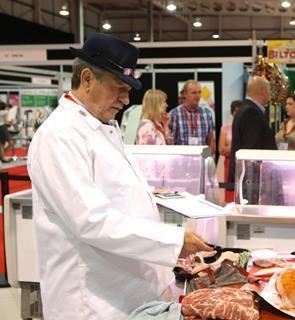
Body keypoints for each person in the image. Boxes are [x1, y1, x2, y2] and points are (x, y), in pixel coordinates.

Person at [27, 32, 211, 320]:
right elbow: (92, 221)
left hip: (131, 294)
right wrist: (173, 241)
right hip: (94, 302)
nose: (126, 100)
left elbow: (117, 195)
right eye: (118, 89)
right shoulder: (59, 135)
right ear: (87, 78)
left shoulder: (102, 126)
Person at [227, 76, 277, 188]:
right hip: (252, 181)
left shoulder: (245, 109)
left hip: (248, 179)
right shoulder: (251, 112)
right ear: (264, 91)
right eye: (269, 91)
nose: (269, 95)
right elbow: (251, 151)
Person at [168, 80, 215, 152]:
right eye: (194, 93)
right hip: (182, 160)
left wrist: (206, 159)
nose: (197, 96)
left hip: (201, 159)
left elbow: (210, 140)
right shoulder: (174, 114)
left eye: (199, 92)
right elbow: (170, 142)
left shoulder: (207, 114)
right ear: (185, 94)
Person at [217, 100, 242, 202]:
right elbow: (222, 150)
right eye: (236, 110)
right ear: (232, 112)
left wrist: (230, 148)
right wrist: (235, 149)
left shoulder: (244, 128)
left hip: (241, 162)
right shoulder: (225, 127)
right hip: (228, 162)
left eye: (240, 111)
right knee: (229, 191)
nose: (237, 113)